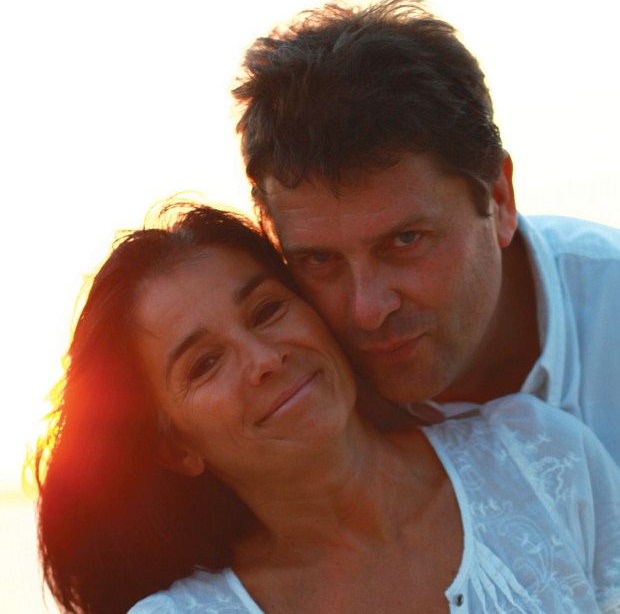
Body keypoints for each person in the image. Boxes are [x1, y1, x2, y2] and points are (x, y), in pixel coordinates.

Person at [32, 202, 620, 613]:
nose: (265, 358)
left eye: (267, 310)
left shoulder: (539, 455)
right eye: (205, 363)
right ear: (176, 447)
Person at [232, 0, 620, 461]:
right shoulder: (289, 399)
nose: (368, 311)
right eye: (320, 259)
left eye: (405, 240)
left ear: (499, 199)